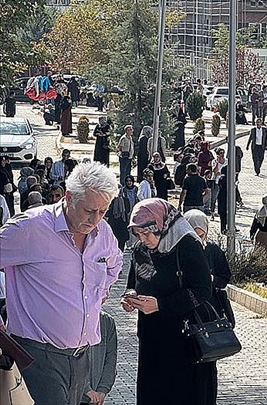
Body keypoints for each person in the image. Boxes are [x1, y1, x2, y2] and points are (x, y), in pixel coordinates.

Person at [0, 162, 122, 405]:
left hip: (82, 359)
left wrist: (100, 290)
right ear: (68, 197)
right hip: (37, 357)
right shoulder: (30, 228)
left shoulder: (103, 232)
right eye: (89, 210)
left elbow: (114, 264)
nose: (95, 219)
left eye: (102, 211)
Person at [123, 199, 216, 404]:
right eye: (138, 234)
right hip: (152, 337)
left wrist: (160, 305)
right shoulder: (140, 249)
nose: (143, 239)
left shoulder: (187, 245)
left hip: (185, 338)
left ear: (161, 225)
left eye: (146, 233)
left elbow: (202, 290)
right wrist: (130, 297)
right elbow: (134, 281)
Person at [185, 209, 234, 327]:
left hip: (210, 310)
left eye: (201, 236)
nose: (197, 240)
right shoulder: (179, 251)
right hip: (185, 309)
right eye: (193, 236)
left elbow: (224, 279)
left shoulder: (213, 250)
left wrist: (212, 279)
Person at [81, 311, 118, 405]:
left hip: (95, 398)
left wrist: (102, 390)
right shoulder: (67, 319)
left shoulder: (107, 321)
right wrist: (86, 389)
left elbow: (110, 361)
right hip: (69, 395)